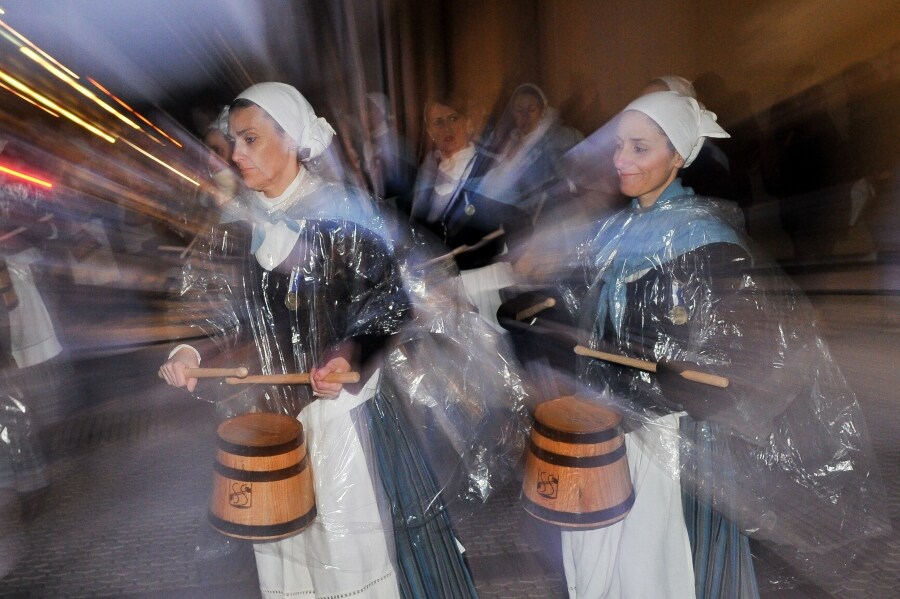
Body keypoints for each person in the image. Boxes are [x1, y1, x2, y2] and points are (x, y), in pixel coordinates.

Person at [559, 91, 886, 598]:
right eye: (619, 145)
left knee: (660, 565)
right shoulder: (619, 230)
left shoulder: (706, 241)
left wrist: (685, 378)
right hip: (615, 425)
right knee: (610, 561)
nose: (620, 160)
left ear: (678, 157)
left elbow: (751, 349)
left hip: (670, 441)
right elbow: (592, 316)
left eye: (639, 148)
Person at [159, 82, 477, 598]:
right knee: (288, 554)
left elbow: (387, 303)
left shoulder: (343, 213)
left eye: (250, 140)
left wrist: (350, 354)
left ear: (291, 140)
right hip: (274, 425)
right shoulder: (240, 221)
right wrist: (192, 349)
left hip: (342, 419)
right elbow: (223, 306)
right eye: (233, 141)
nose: (236, 154)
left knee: (352, 552)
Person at [409, 95, 530, 331]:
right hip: (443, 294)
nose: (447, 127)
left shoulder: (489, 168)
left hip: (487, 286)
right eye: (438, 122)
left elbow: (521, 221)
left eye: (453, 118)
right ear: (429, 131)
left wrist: (522, 257)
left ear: (467, 122)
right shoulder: (426, 177)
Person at [477, 83, 583, 222]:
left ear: (543, 110)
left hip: (552, 220)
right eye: (519, 110)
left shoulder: (562, 138)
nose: (525, 116)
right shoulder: (508, 142)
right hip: (513, 220)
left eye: (531, 109)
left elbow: (578, 178)